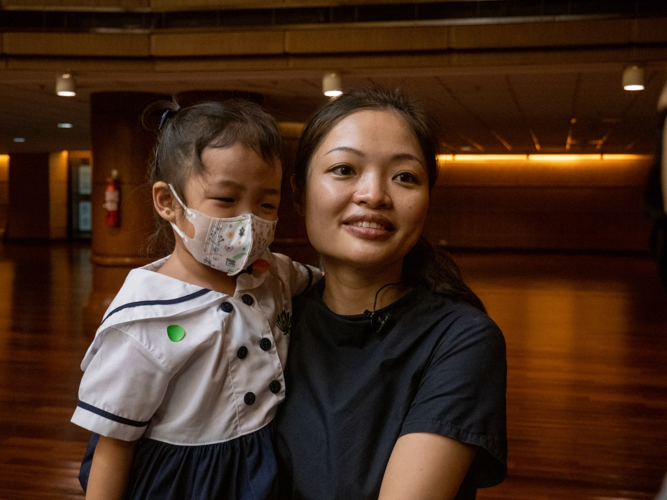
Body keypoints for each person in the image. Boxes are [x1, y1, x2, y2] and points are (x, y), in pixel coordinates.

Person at [71, 99, 318, 500]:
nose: (248, 221)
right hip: (185, 480)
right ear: (168, 202)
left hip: (264, 464)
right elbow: (113, 446)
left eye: (266, 204)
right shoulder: (142, 323)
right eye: (226, 199)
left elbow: (329, 286)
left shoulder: (275, 273)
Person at [272, 88, 507, 500]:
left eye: (405, 177)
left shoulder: (461, 339)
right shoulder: (267, 317)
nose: (374, 195)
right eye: (344, 169)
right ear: (298, 193)